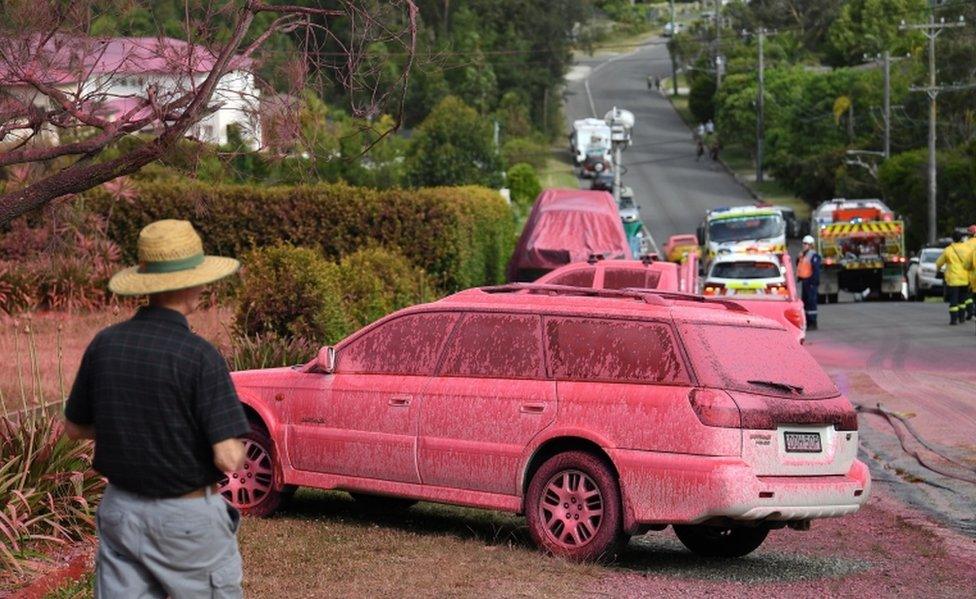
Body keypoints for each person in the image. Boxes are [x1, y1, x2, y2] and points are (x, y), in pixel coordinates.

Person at [64, 219, 250, 598]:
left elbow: (75, 427)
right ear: (190, 283)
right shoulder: (199, 356)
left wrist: (132, 425)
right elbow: (229, 458)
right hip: (185, 520)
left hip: (121, 511)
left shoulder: (106, 344)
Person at [935, 230, 973, 325]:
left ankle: (953, 320)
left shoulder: (948, 250)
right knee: (962, 300)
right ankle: (962, 318)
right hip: (965, 278)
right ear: (961, 238)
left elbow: (938, 263)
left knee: (954, 300)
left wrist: (939, 269)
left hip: (953, 279)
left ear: (953, 238)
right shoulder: (967, 249)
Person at [797, 235, 822, 330]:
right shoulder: (803, 254)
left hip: (811, 282)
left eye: (806, 244)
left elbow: (816, 270)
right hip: (805, 281)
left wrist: (814, 282)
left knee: (812, 302)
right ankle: (807, 321)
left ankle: (813, 322)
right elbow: (799, 265)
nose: (804, 245)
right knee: (806, 302)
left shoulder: (813, 255)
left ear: (811, 245)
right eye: (803, 243)